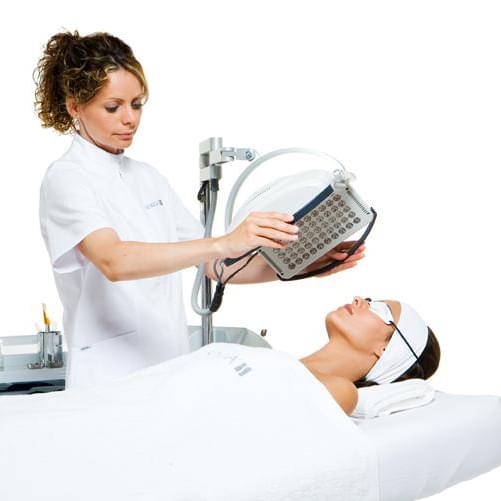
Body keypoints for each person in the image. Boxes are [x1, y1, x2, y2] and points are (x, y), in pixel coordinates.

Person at [33, 30, 365, 390]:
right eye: (113, 107)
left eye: (137, 104)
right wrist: (224, 242)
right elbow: (114, 261)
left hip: (169, 368)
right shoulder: (67, 177)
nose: (130, 119)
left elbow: (216, 266)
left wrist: (304, 263)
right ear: (75, 107)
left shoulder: (147, 177)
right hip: (108, 378)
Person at [299, 296, 441, 415]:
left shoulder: (342, 392)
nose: (357, 299)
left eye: (382, 310)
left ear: (387, 350)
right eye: (369, 301)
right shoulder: (289, 363)